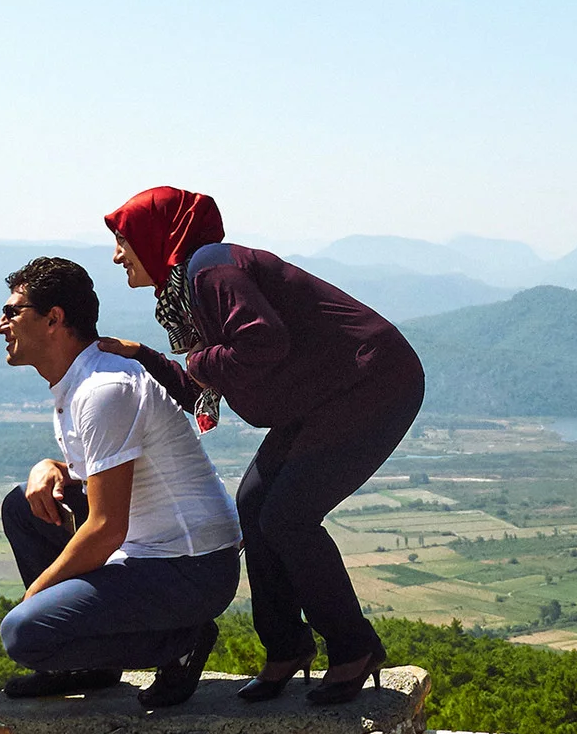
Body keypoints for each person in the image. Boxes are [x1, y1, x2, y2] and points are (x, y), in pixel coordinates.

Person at [99, 187, 423, 707]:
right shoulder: (190, 288)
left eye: (123, 241)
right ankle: (286, 648)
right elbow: (204, 385)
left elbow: (262, 342)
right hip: (330, 393)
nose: (117, 255)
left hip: (373, 382)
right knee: (254, 506)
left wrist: (195, 363)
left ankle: (353, 647)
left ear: (155, 236)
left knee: (288, 517)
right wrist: (146, 357)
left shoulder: (208, 268)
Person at [0, 256, 241, 709]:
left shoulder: (104, 389)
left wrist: (37, 595)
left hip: (192, 567)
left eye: (12, 312)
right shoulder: (81, 382)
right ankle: (86, 666)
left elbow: (106, 527)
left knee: (23, 633)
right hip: (157, 558)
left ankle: (181, 641)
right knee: (22, 507)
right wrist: (47, 466)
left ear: (53, 319)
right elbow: (100, 477)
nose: (0, 325)